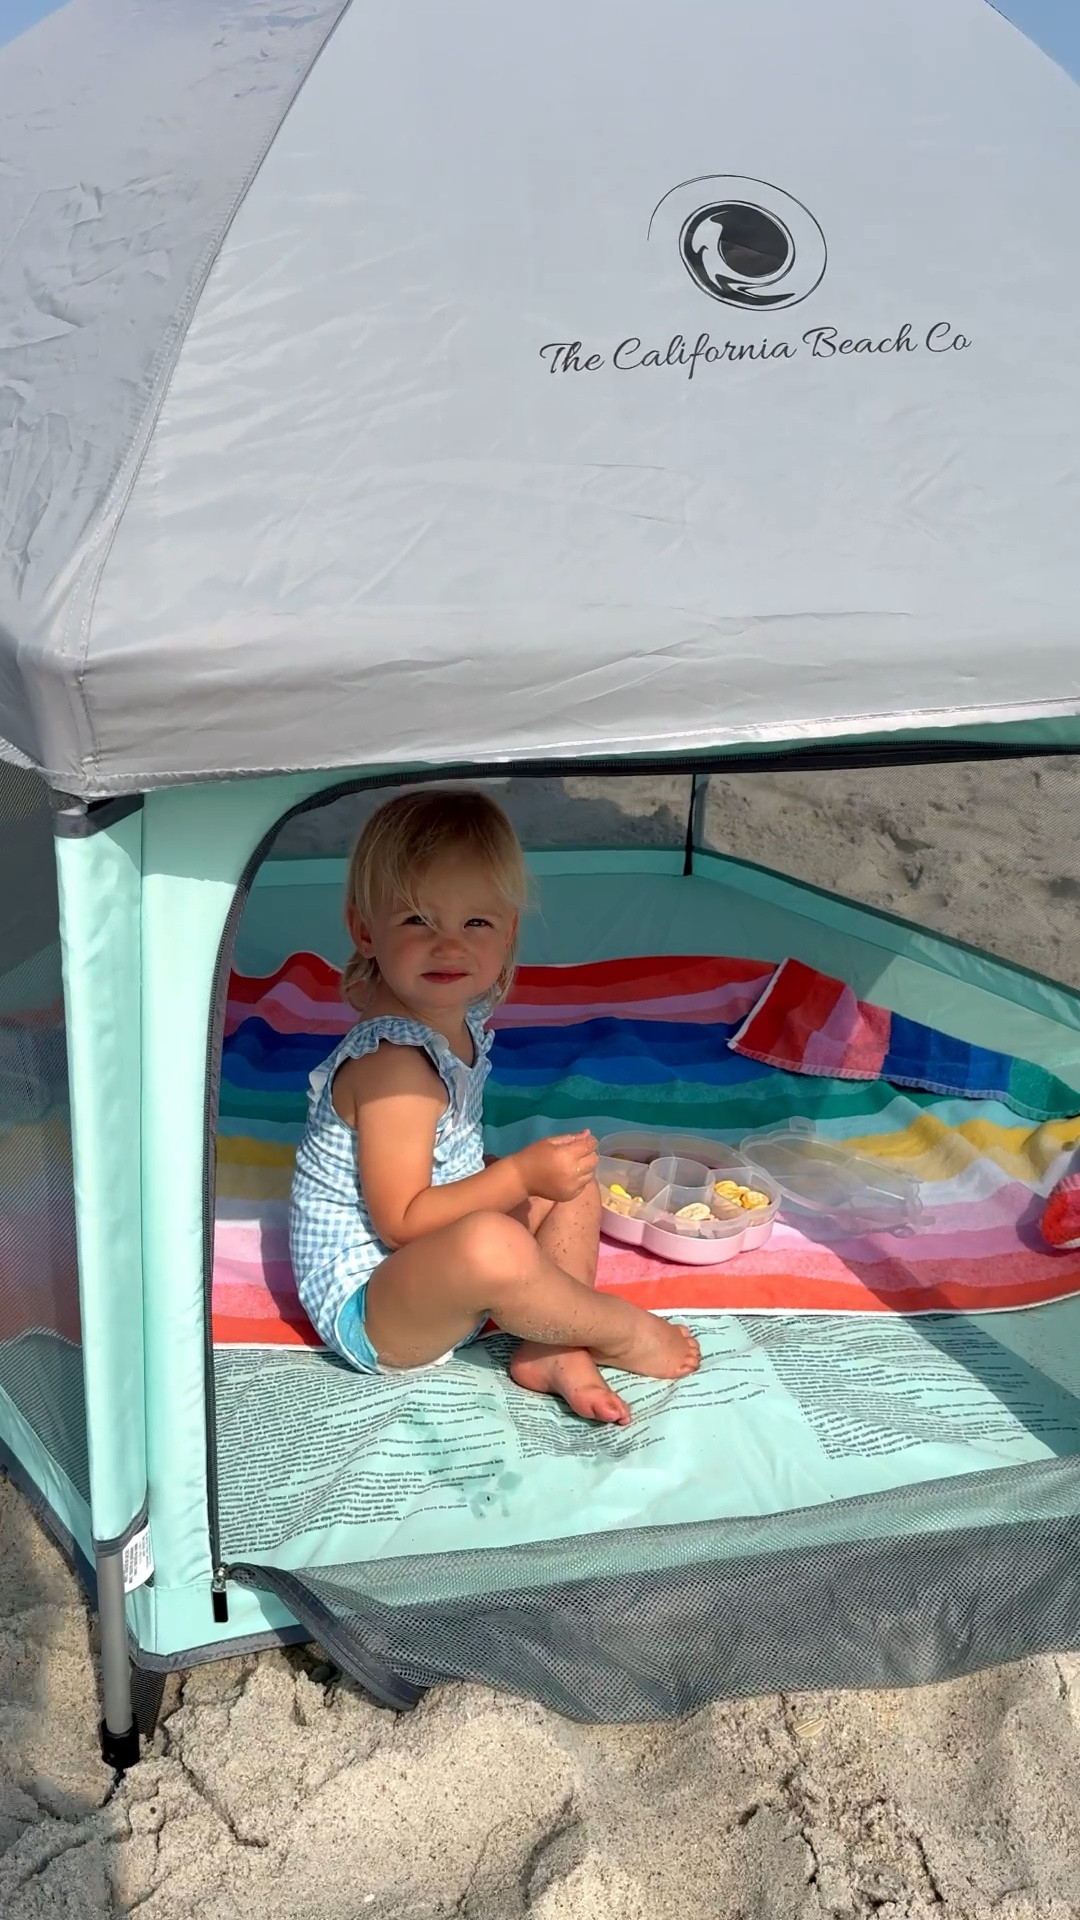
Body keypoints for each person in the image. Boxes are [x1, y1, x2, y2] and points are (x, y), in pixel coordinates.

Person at [289, 787, 700, 1424]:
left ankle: (549, 1346)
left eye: (474, 923)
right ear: (364, 931)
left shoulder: (452, 1025)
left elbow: (446, 1155)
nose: (449, 946)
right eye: (418, 921)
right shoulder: (396, 1063)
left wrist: (525, 1181)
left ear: (507, 933)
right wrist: (511, 1179)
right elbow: (399, 1221)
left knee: (574, 1184)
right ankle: (616, 1329)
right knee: (493, 1241)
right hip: (376, 1304)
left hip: (435, 1266)